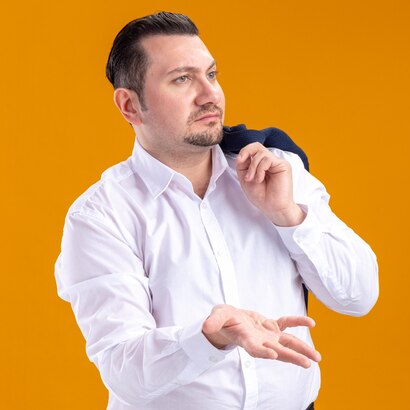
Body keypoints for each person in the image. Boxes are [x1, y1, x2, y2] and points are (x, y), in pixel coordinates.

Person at [55, 11, 378, 410]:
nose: (210, 95)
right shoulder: (102, 215)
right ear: (129, 105)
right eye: (182, 79)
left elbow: (359, 296)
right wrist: (209, 338)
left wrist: (289, 216)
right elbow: (125, 368)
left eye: (211, 74)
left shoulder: (275, 169)